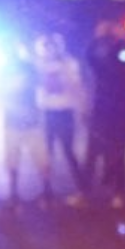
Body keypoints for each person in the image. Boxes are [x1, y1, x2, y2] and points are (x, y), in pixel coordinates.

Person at [83, 19, 125, 206]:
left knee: (118, 152)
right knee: (92, 151)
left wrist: (124, 41)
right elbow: (90, 59)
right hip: (101, 108)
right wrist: (97, 39)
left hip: (120, 109)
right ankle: (85, 191)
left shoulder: (124, 51)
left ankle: (119, 192)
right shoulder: (101, 53)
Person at [35, 33, 86, 199]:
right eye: (47, 47)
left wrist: (81, 108)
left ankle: (81, 188)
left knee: (68, 152)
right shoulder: (41, 65)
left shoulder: (69, 64)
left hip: (65, 111)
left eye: (53, 47)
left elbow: (76, 86)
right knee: (46, 153)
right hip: (48, 112)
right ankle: (46, 189)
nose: (50, 50)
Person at [0, 41, 50, 209]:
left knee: (35, 156)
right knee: (15, 157)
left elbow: (38, 85)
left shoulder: (24, 67)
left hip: (25, 119)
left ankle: (42, 190)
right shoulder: (8, 69)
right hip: (19, 119)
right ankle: (16, 192)